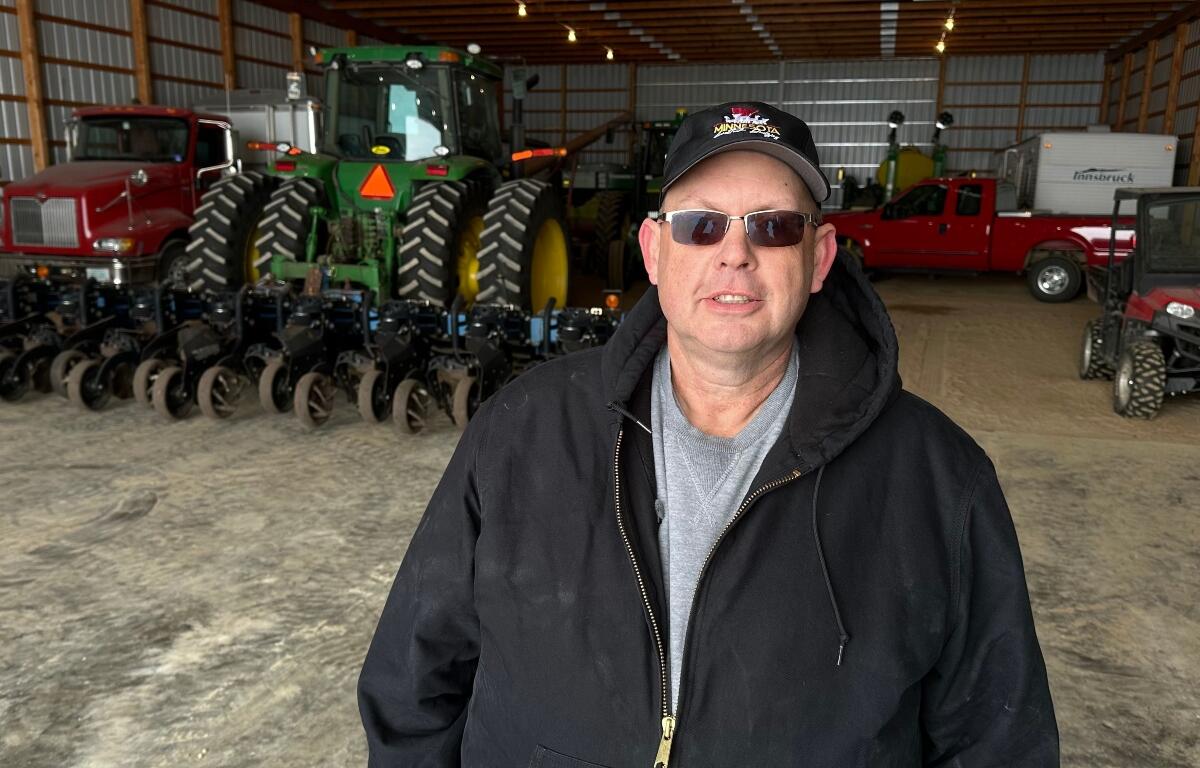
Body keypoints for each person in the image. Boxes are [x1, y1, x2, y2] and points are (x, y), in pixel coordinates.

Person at [358, 101, 1059, 767]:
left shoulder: (938, 480)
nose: (735, 254)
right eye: (701, 225)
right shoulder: (521, 430)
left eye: (773, 227)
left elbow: (997, 738)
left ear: (818, 259)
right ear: (655, 251)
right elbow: (413, 680)